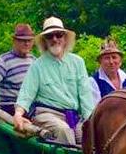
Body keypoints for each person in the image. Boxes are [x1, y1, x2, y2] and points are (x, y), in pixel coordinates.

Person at [13, 16, 94, 145]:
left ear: (65, 38)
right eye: (50, 36)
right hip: (47, 114)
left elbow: (85, 95)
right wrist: (18, 114)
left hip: (73, 117)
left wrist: (91, 120)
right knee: (64, 132)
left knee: (88, 135)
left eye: (59, 35)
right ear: (44, 40)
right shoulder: (37, 65)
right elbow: (26, 94)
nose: (55, 39)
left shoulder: (78, 62)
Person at [0, 24, 36, 115]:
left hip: (30, 106)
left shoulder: (33, 60)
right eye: (23, 41)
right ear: (14, 41)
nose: (26, 44)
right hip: (12, 108)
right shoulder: (5, 60)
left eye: (29, 40)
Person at [89, 38, 126, 105]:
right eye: (107, 58)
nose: (111, 62)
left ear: (120, 61)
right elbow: (96, 109)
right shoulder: (93, 82)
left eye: (114, 57)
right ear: (100, 62)